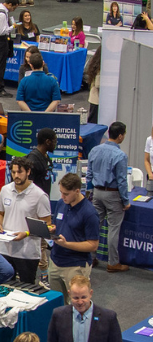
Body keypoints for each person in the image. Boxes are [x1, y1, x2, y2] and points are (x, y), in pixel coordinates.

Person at [47, 171, 100, 301]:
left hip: (76, 266)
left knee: (77, 305)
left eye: (66, 194)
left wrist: (67, 244)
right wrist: (53, 229)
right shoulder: (61, 203)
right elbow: (58, 224)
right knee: (56, 305)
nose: (62, 196)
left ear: (77, 191)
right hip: (55, 261)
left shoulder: (89, 213)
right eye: (61, 192)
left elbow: (93, 245)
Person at [86, 121, 130, 274]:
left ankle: (90, 257)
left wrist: (89, 191)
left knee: (94, 225)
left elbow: (89, 174)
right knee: (113, 228)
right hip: (113, 194)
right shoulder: (120, 155)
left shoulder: (95, 150)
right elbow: (122, 181)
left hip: (96, 193)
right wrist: (125, 200)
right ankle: (113, 263)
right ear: (120, 136)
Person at [0, 0, 17, 97]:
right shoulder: (1, 14)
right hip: (1, 40)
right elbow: (2, 31)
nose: (13, 10)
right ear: (10, 4)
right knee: (0, 65)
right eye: (14, 7)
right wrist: (13, 27)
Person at [84, 44, 102, 124]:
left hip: (94, 98)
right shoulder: (100, 67)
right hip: (97, 99)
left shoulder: (95, 63)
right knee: (93, 122)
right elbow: (98, 84)